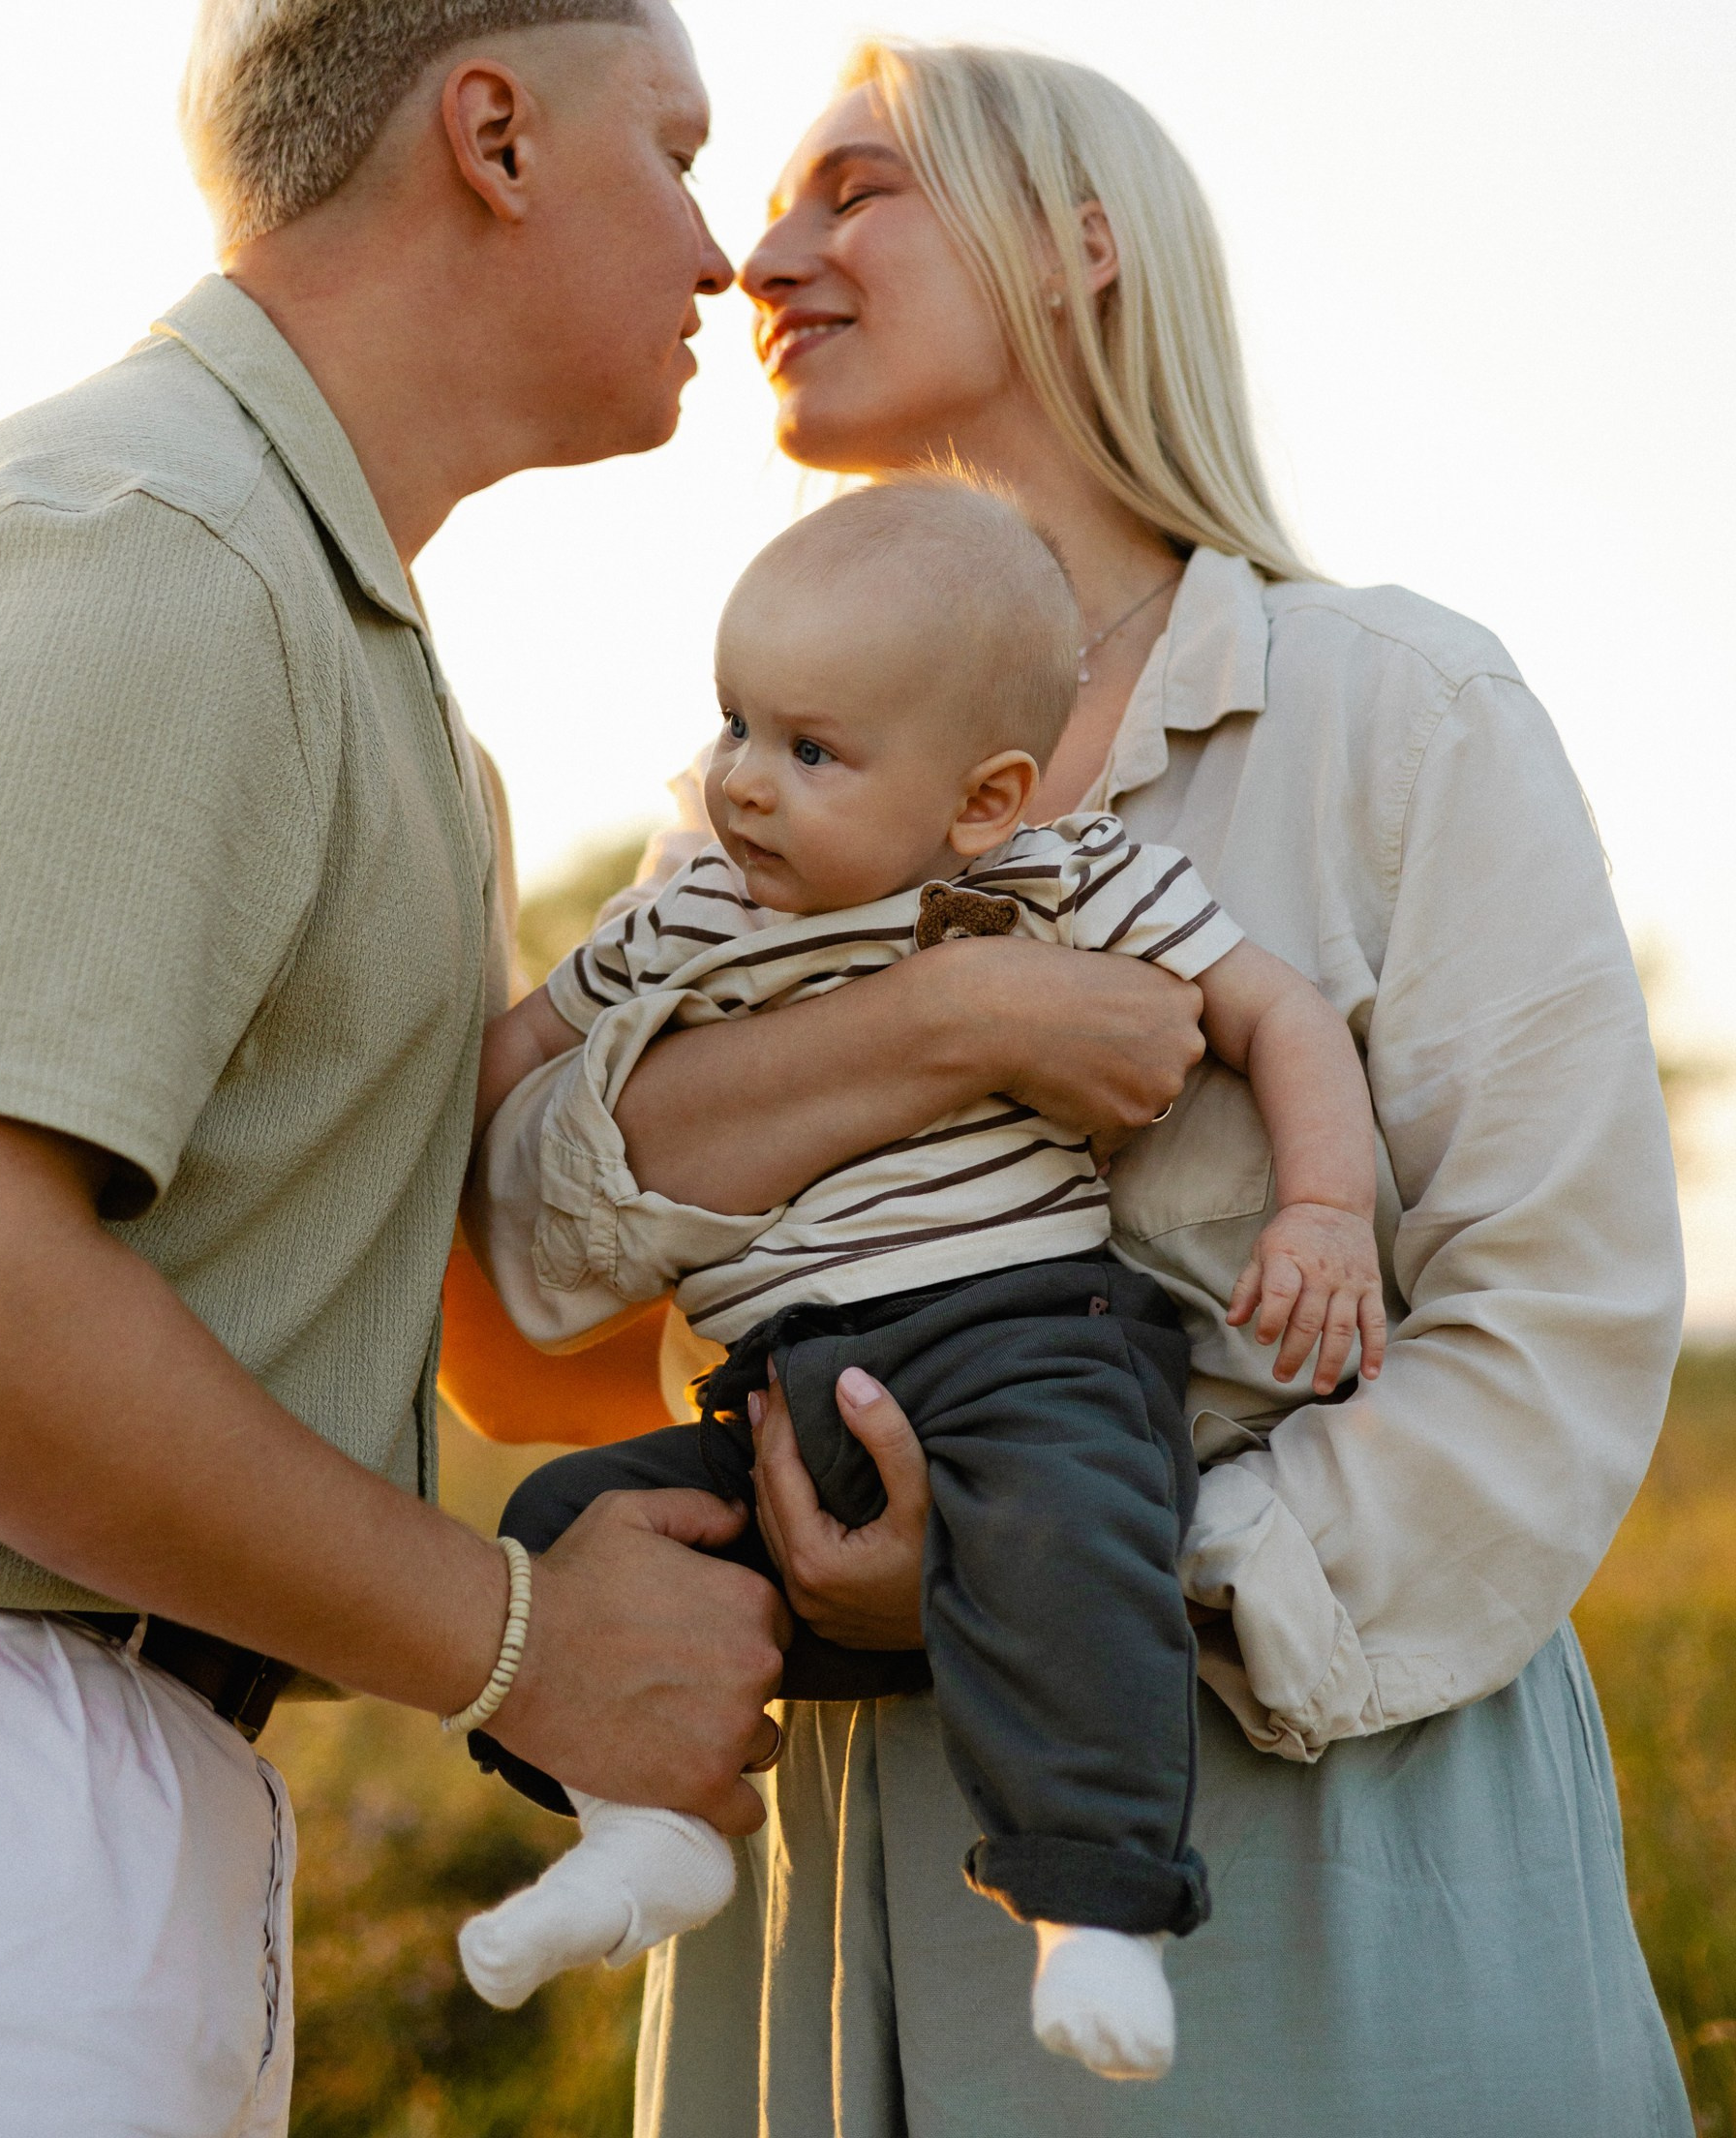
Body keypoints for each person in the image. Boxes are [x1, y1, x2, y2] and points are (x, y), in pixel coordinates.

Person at [472, 43, 1690, 2133]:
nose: (762, 254)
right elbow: (535, 1268)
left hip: (1306, 1883)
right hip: (824, 1916)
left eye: (855, 189)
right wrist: (946, 1024)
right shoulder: (740, 815)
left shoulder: (1396, 708)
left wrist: (1047, 1582)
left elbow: (1554, 1339)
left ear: (1080, 245)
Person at [0, 0, 790, 2138]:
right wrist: (519, 1642)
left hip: (95, 1775)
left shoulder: (369, 671)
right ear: (493, 137)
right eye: (675, 151)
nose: (721, 248)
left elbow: (486, 1333)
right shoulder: (148, 546)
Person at [457, 479, 1386, 2081]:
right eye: (736, 723)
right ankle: (647, 1825)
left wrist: (1325, 1210)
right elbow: (513, 1068)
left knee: (1077, 1531)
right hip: (776, 1390)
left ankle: (1095, 1900)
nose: (745, 779)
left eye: (812, 751)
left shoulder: (1051, 881)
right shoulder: (688, 911)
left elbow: (1276, 1012)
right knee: (563, 1530)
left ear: (982, 799)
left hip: (1017, 1340)